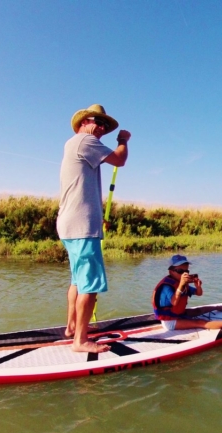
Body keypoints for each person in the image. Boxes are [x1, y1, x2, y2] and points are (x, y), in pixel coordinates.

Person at [57, 104, 131, 353]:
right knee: (89, 283)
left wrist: (97, 217)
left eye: (103, 125)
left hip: (71, 223)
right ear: (82, 123)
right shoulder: (84, 141)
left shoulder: (75, 145)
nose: (100, 128)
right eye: (95, 122)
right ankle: (80, 340)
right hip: (81, 226)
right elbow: (119, 160)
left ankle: (71, 328)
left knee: (78, 279)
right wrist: (123, 140)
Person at [151, 255, 222, 330]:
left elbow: (198, 293)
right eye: (180, 271)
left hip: (178, 314)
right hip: (170, 321)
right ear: (171, 271)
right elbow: (174, 302)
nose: (184, 274)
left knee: (199, 310)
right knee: (199, 322)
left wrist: (198, 286)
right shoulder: (166, 286)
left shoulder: (182, 283)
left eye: (186, 271)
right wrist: (181, 284)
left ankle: (218, 308)